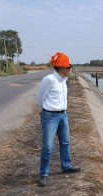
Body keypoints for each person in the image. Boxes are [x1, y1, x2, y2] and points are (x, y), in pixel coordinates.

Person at [36, 52, 81, 187]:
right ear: (61, 68)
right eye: (68, 67)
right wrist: (44, 110)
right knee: (48, 146)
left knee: (65, 142)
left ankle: (66, 166)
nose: (70, 69)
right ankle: (43, 174)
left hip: (63, 115)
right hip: (50, 116)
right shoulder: (49, 79)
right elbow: (39, 98)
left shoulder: (63, 79)